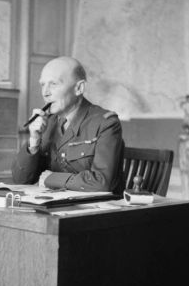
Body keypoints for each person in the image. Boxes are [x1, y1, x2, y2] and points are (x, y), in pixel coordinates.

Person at [12, 56, 123, 193]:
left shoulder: (105, 123)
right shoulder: (49, 122)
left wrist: (52, 179)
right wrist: (34, 141)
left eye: (53, 84)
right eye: (42, 84)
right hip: (56, 205)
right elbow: (20, 180)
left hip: (96, 209)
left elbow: (102, 182)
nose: (45, 93)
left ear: (79, 88)